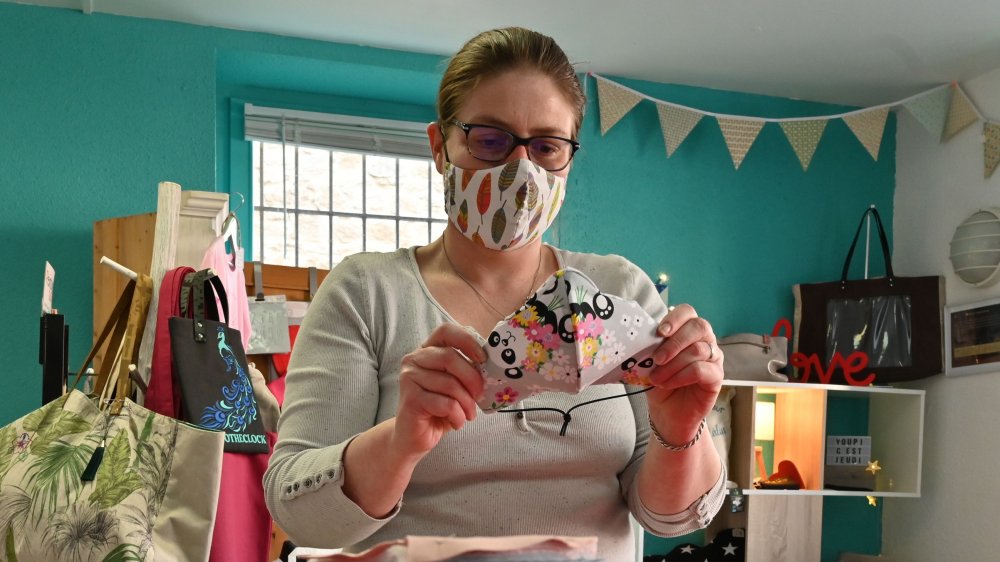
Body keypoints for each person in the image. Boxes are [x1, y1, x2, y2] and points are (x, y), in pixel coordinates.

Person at [264, 27, 726, 561]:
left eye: (547, 146)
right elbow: (297, 512)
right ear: (440, 147)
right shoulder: (367, 295)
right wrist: (399, 443)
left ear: (569, 158)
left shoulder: (618, 290)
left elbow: (672, 518)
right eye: (489, 140)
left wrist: (682, 429)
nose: (521, 169)